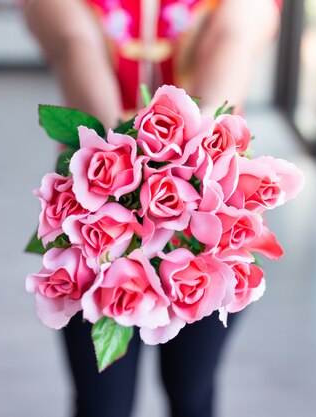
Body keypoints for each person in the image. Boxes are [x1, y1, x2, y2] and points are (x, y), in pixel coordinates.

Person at [22, 1, 281, 416]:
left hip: (210, 211)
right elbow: (74, 46)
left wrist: (193, 168)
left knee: (192, 392)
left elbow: (234, 38)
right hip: (97, 213)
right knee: (101, 403)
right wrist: (127, 179)